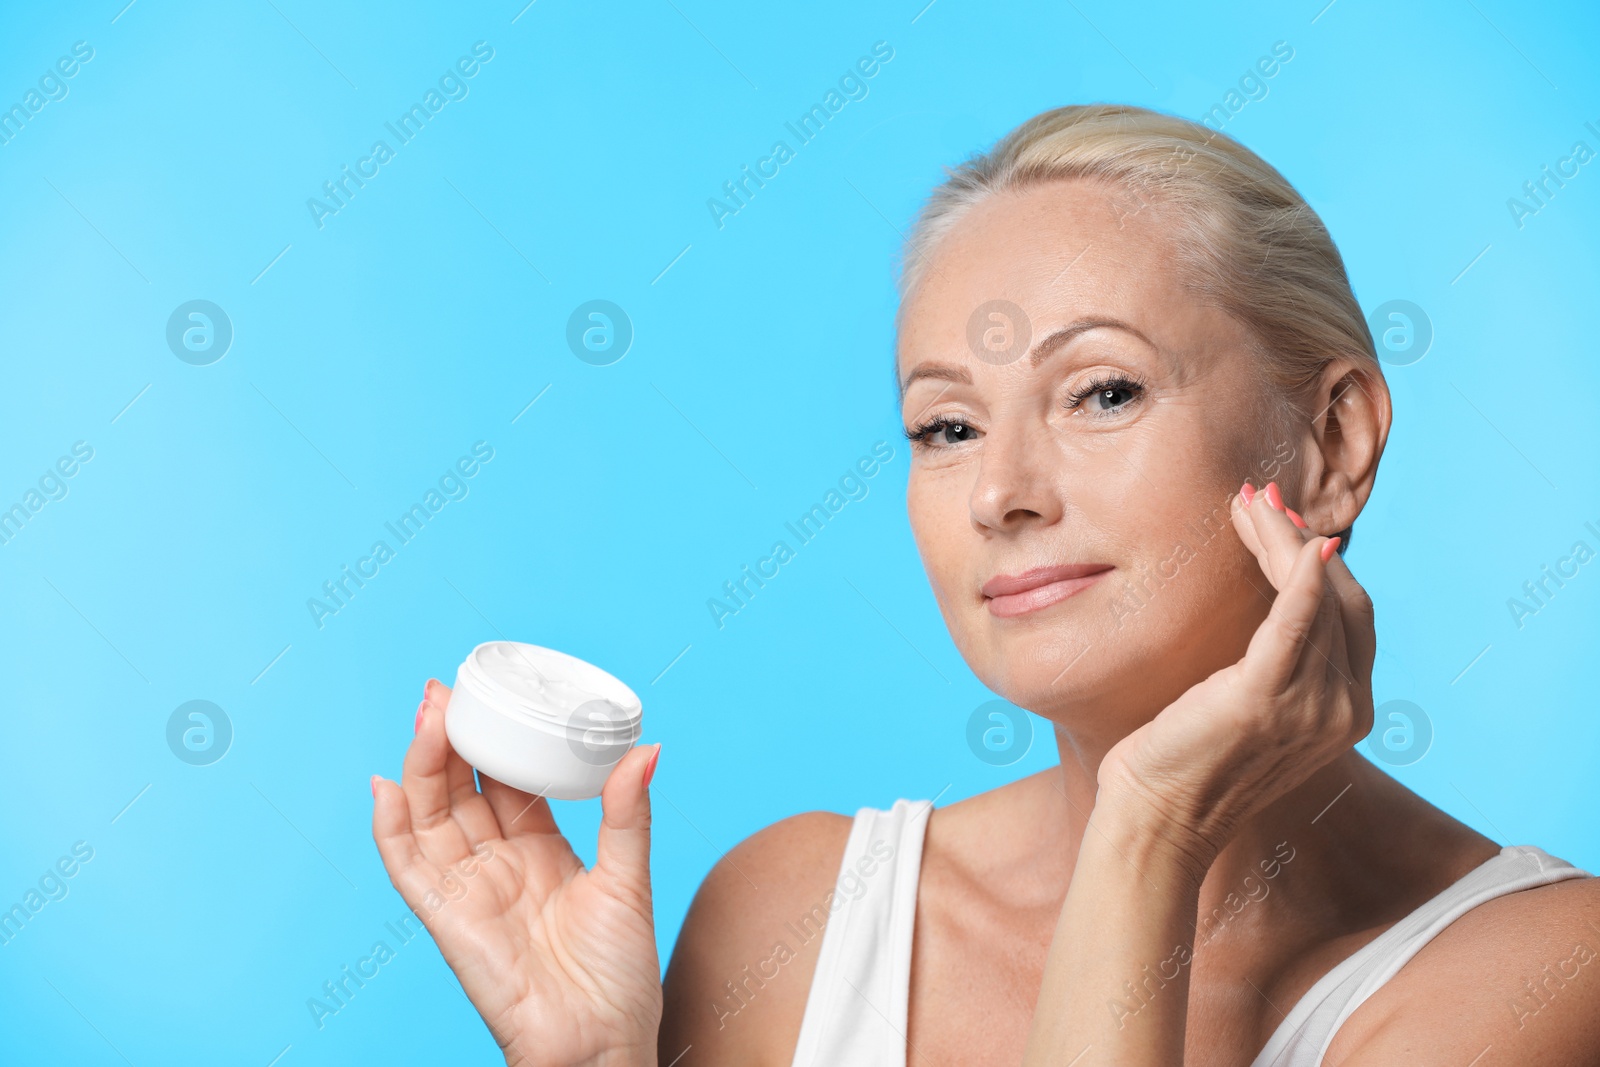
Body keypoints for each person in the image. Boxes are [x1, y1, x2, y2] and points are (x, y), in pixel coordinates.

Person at [370, 104, 1600, 1066]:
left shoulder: (1543, 973)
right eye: (945, 426)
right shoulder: (789, 915)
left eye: (1102, 392)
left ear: (1331, 443)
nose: (999, 492)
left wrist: (1150, 828)